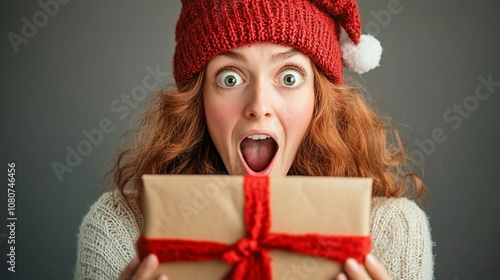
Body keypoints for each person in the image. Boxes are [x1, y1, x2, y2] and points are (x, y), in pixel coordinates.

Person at [74, 0, 434, 279]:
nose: (259, 106)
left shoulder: (388, 231)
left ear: (319, 100)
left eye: (289, 77)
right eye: (230, 78)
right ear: (197, 101)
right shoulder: (123, 227)